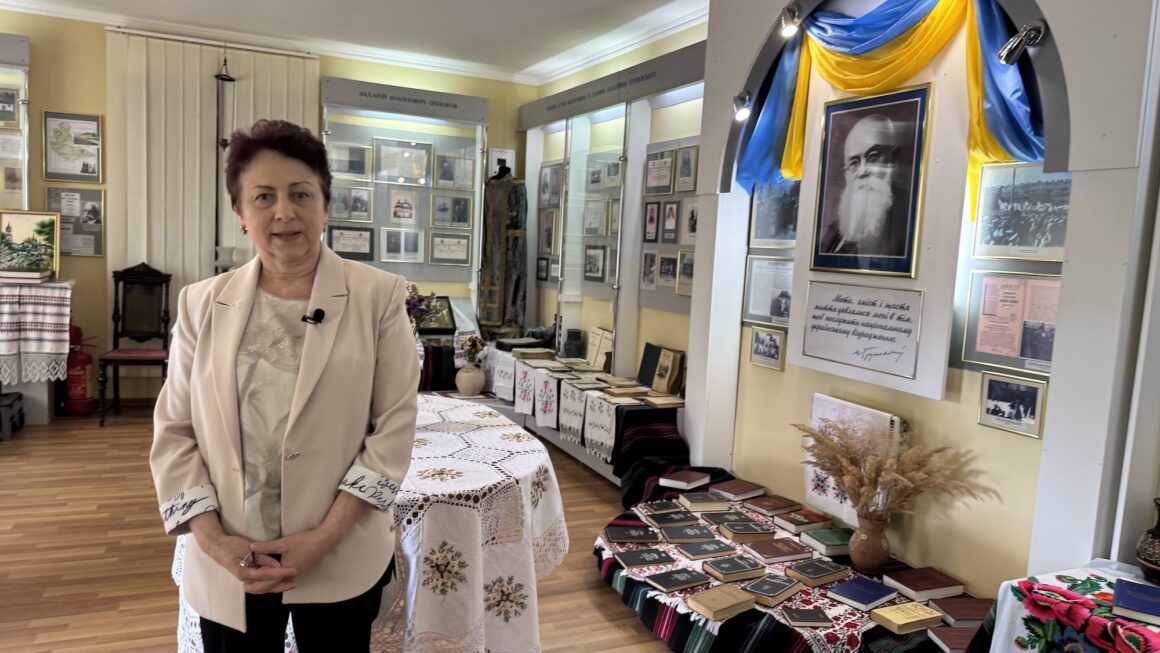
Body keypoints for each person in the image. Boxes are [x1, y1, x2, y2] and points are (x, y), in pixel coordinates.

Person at [150, 119, 420, 652]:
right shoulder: (201, 303)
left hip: (339, 549)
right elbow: (176, 430)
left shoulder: (379, 296)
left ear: (325, 203)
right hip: (231, 554)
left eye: (300, 194)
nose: (284, 212)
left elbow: (393, 428)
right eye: (263, 197)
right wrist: (214, 541)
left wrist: (322, 538)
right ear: (239, 212)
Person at [819, 113, 911, 257]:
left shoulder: (910, 219)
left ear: (893, 158)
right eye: (854, 163)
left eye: (872, 157)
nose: (862, 171)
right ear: (846, 174)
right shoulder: (833, 233)